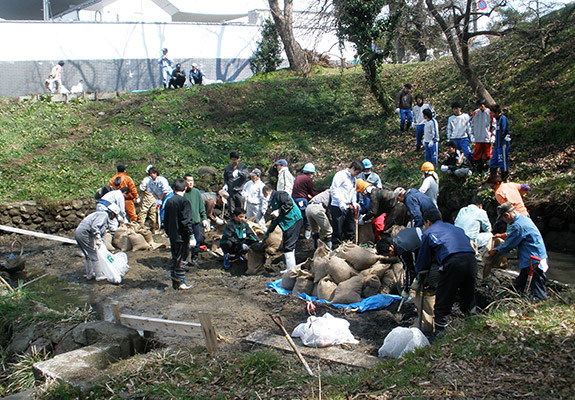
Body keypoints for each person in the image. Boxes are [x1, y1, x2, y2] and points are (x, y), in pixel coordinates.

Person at [415, 209, 477, 337]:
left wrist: (420, 277)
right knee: (468, 297)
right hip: (471, 260)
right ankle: (473, 329)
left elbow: (423, 261)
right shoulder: (456, 229)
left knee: (443, 302)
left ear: (428, 222)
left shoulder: (429, 233)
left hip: (452, 262)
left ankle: (441, 337)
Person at [377, 228, 435, 335]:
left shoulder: (402, 249)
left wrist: (406, 289)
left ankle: (428, 327)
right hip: (429, 253)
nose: (390, 257)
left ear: (391, 247)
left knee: (425, 296)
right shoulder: (401, 236)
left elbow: (409, 269)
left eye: (388, 254)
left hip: (434, 260)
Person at [489, 202, 549, 300]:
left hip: (534, 260)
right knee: (520, 285)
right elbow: (519, 235)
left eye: (503, 219)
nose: (504, 221)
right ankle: (519, 300)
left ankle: (542, 306)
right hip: (533, 258)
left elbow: (508, 246)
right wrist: (504, 235)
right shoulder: (523, 219)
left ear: (507, 215)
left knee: (537, 290)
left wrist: (494, 251)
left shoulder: (518, 226)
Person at [262, 185, 303, 272]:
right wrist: (268, 232)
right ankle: (291, 268)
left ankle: (291, 270)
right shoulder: (273, 202)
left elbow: (289, 203)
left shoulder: (280, 194)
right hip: (286, 224)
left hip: (294, 220)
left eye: (264, 195)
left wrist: (279, 211)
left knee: (289, 245)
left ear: (266, 193)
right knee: (287, 245)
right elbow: (275, 219)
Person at [75, 204, 120, 281]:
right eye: (114, 216)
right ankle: (99, 275)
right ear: (112, 213)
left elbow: (101, 231)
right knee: (94, 255)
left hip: (79, 233)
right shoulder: (103, 215)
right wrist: (98, 238)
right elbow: (95, 227)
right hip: (84, 233)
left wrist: (102, 244)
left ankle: (90, 274)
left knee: (88, 255)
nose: (114, 218)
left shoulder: (103, 216)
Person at [163, 178, 194, 290]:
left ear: (174, 188)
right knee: (182, 259)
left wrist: (167, 231)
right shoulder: (184, 202)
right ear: (185, 188)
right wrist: (190, 235)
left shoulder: (169, 201)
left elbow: (165, 219)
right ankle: (181, 282)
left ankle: (174, 282)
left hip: (172, 234)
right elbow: (186, 220)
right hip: (182, 236)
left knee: (175, 257)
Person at [329, 161, 363, 246]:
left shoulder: (353, 178)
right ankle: (336, 247)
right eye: (357, 172)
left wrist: (354, 202)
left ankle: (349, 245)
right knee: (338, 229)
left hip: (348, 205)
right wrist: (341, 202)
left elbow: (353, 191)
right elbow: (334, 189)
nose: (357, 175)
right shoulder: (340, 175)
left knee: (350, 228)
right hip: (338, 206)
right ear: (353, 168)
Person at [184, 175, 209, 266]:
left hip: (196, 221)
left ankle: (194, 258)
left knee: (198, 240)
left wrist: (204, 218)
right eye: (188, 181)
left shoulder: (196, 192)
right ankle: (185, 259)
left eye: (192, 181)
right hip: (186, 222)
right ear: (185, 182)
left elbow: (201, 206)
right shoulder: (183, 193)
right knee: (186, 242)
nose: (191, 183)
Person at [292, 163, 319, 238]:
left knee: (297, 216)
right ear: (311, 173)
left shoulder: (298, 177)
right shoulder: (307, 179)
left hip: (294, 199)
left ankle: (297, 233)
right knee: (306, 216)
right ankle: (307, 234)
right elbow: (312, 191)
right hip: (301, 200)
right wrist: (318, 196)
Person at [471, 99, 495, 175]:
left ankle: (486, 170)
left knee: (488, 154)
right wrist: (472, 135)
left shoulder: (490, 113)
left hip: (487, 138)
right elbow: (473, 125)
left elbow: (493, 125)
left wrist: (493, 136)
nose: (481, 108)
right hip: (478, 138)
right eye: (479, 106)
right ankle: (478, 170)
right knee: (477, 154)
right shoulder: (476, 113)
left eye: (482, 106)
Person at [223, 151, 249, 216]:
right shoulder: (228, 168)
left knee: (240, 208)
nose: (233, 161)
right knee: (232, 208)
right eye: (232, 160)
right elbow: (225, 178)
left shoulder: (243, 167)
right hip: (231, 190)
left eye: (235, 159)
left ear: (238, 159)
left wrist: (239, 172)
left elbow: (246, 175)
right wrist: (225, 184)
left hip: (239, 190)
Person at [489, 104, 511, 181]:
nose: (492, 115)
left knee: (502, 161)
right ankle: (493, 179)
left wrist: (502, 141)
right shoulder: (497, 121)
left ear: (497, 112)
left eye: (493, 113)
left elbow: (504, 131)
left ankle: (504, 178)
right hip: (497, 145)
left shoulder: (503, 119)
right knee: (493, 161)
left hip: (503, 144)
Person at [138, 165, 159, 232]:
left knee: (143, 212)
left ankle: (140, 228)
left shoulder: (146, 179)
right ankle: (153, 229)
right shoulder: (158, 179)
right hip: (155, 198)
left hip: (147, 197)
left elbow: (142, 188)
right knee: (153, 214)